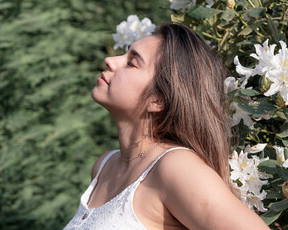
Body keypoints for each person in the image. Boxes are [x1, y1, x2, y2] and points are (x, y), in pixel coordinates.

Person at [64, 22, 270, 230]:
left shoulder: (175, 168)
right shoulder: (104, 167)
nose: (110, 61)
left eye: (131, 63)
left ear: (158, 99)